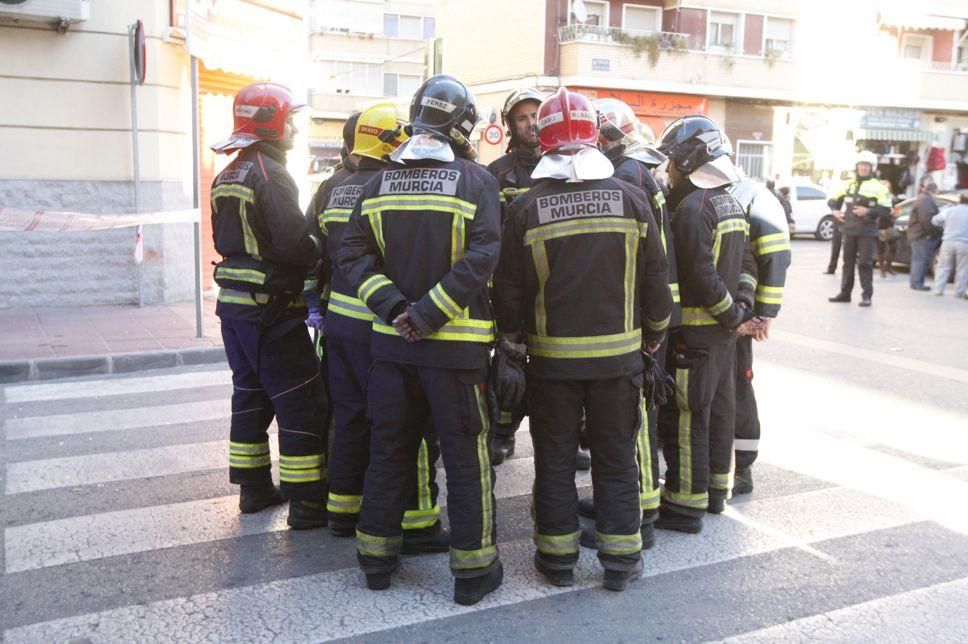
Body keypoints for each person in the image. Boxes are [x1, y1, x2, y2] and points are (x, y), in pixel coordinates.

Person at [494, 87, 673, 591]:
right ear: (593, 136)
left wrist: (512, 342)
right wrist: (655, 336)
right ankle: (620, 562)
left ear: (544, 140)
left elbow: (508, 291)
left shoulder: (527, 207)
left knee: (552, 461)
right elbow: (657, 283)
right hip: (620, 363)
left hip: (551, 365)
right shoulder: (633, 198)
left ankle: (557, 561)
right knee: (616, 459)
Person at [338, 75, 503, 605]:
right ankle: (474, 574)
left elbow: (351, 258)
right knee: (465, 458)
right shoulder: (478, 182)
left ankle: (376, 561)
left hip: (392, 347)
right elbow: (483, 259)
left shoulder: (376, 183)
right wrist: (430, 313)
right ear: (462, 126)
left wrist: (396, 311)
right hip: (456, 352)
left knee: (389, 451)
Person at [307, 103, 448, 552]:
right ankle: (418, 520)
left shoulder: (331, 187)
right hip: (379, 324)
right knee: (402, 422)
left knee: (347, 416)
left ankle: (342, 512)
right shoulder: (389, 185)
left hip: (337, 324)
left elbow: (313, 252)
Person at [209, 82, 328, 529]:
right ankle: (307, 502)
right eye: (290, 119)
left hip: (235, 310)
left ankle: (253, 488)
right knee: (301, 400)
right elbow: (294, 243)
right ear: (272, 123)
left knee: (251, 396)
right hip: (272, 310)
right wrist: (324, 247)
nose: (294, 127)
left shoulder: (229, 173)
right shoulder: (270, 173)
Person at [575, 97, 678, 549]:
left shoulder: (626, 174)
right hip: (640, 311)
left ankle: (638, 513)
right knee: (629, 421)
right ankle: (623, 503)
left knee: (632, 423)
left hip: (632, 316)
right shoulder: (638, 169)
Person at [654, 114, 763, 534]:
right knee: (718, 411)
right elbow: (748, 264)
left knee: (685, 418)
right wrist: (742, 309)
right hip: (722, 338)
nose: (668, 171)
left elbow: (701, 276)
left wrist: (732, 314)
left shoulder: (692, 209)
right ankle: (716, 492)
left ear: (687, 160)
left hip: (696, 337)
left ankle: (683, 506)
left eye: (672, 163)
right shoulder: (730, 201)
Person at [485, 87, 544, 465]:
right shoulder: (497, 173)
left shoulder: (565, 164)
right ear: (510, 125)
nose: (531, 124)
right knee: (508, 359)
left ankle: (561, 441)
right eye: (522, 118)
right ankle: (503, 434)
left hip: (552, 281)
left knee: (556, 368)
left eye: (536, 115)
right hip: (509, 283)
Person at [728, 175, 792, 496]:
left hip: (736, 311)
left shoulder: (750, 196)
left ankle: (743, 466)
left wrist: (761, 312)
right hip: (731, 308)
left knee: (738, 385)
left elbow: (771, 255)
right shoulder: (741, 193)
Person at [827, 151, 892, 307]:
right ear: (856, 166)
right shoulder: (848, 183)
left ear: (871, 168)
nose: (863, 168)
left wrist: (868, 211)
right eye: (861, 165)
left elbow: (886, 210)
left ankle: (866, 296)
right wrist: (834, 211)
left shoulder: (879, 187)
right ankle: (845, 293)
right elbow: (833, 200)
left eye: (866, 165)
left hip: (867, 232)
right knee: (847, 263)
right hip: (849, 230)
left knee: (865, 264)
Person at [932, 193, 968, 299]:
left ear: (959, 200)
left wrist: (944, 226)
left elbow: (935, 220)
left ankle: (938, 289)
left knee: (943, 266)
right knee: (962, 268)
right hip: (964, 243)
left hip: (948, 241)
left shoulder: (950, 210)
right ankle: (958, 292)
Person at [908, 182, 941, 291]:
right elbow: (926, 220)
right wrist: (933, 231)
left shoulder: (923, 199)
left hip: (920, 235)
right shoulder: (925, 200)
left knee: (920, 260)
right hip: (922, 236)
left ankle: (917, 282)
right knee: (920, 260)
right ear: (934, 191)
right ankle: (917, 283)